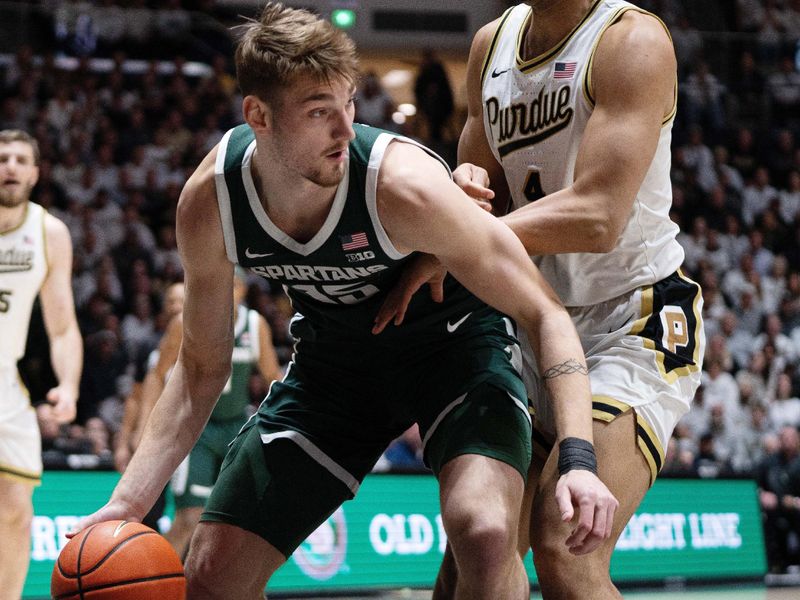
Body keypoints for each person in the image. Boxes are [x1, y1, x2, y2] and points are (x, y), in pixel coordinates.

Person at [71, 4, 616, 599]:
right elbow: (202, 368)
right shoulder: (211, 201)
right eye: (318, 112)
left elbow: (543, 311)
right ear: (258, 115)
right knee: (211, 571)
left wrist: (579, 459)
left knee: (484, 533)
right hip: (336, 368)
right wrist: (125, 504)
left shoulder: (403, 186)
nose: (345, 129)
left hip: (454, 350)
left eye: (348, 104)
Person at [375, 2, 705, 598]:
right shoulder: (489, 45)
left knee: (567, 543)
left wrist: (452, 241)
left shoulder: (629, 40)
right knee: (475, 561)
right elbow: (478, 195)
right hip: (530, 323)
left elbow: (598, 217)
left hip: (628, 319)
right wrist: (462, 193)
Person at [0, 129, 82, 599]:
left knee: (16, 507)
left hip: (7, 382)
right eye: (3, 157)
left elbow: (62, 326)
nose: (10, 165)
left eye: (19, 159)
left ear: (35, 172)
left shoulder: (49, 232)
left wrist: (67, 386)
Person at [152, 268, 281, 557]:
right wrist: (148, 429)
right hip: (196, 429)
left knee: (240, 523)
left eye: (233, 286)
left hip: (236, 429)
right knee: (189, 519)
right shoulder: (187, 320)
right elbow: (157, 375)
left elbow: (273, 378)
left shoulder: (254, 324)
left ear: (242, 291)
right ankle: (158, 586)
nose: (227, 292)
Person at [113, 280, 185, 531]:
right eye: (171, 301)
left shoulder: (208, 342)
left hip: (194, 436)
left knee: (191, 513)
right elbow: (135, 396)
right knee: (147, 514)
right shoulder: (149, 344)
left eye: (181, 300)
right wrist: (124, 441)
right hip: (157, 436)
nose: (176, 306)